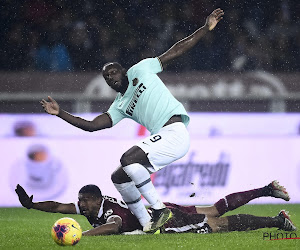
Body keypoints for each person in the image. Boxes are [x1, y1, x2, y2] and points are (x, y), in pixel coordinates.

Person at [40, 8, 225, 233]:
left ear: (124, 71)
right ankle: (147, 224)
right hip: (164, 139)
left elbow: (176, 50)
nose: (111, 78)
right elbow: (92, 126)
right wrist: (61, 113)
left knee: (128, 159)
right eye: (106, 77)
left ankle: (159, 210)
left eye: (114, 72)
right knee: (118, 176)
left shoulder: (142, 69)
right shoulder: (119, 105)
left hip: (175, 132)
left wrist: (205, 29)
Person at [15, 180, 296, 236]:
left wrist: (81, 236)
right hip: (161, 208)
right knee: (214, 210)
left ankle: (275, 220)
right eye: (80, 201)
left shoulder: (110, 214)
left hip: (168, 219)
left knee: (217, 224)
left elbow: (113, 227)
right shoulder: (90, 209)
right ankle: (267, 191)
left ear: (98, 200)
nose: (81, 205)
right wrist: (31, 205)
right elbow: (57, 206)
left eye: (86, 201)